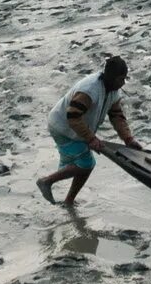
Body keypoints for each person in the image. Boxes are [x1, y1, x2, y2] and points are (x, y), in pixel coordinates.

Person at [37, 55, 139, 205]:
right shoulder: (89, 90)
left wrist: (128, 139)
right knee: (86, 163)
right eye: (121, 79)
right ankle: (46, 181)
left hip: (76, 129)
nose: (123, 83)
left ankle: (69, 201)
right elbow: (72, 116)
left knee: (85, 164)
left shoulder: (113, 91)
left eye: (124, 78)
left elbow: (117, 116)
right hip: (62, 127)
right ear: (111, 77)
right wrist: (91, 139)